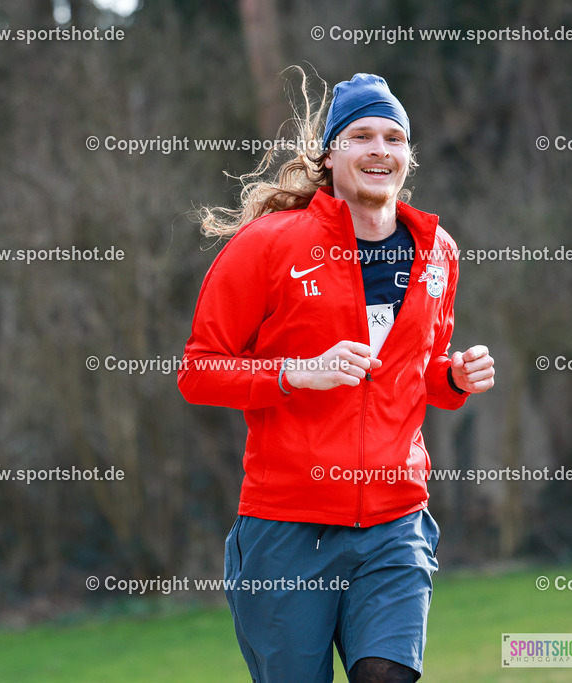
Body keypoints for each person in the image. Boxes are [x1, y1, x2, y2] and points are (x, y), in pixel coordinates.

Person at [178, 71, 495, 682]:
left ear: (409, 156)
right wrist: (296, 375)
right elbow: (199, 372)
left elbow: (412, 376)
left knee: (388, 675)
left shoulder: (438, 251)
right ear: (328, 154)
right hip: (287, 528)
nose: (380, 150)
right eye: (361, 136)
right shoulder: (267, 245)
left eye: (394, 138)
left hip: (394, 521)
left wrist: (452, 378)